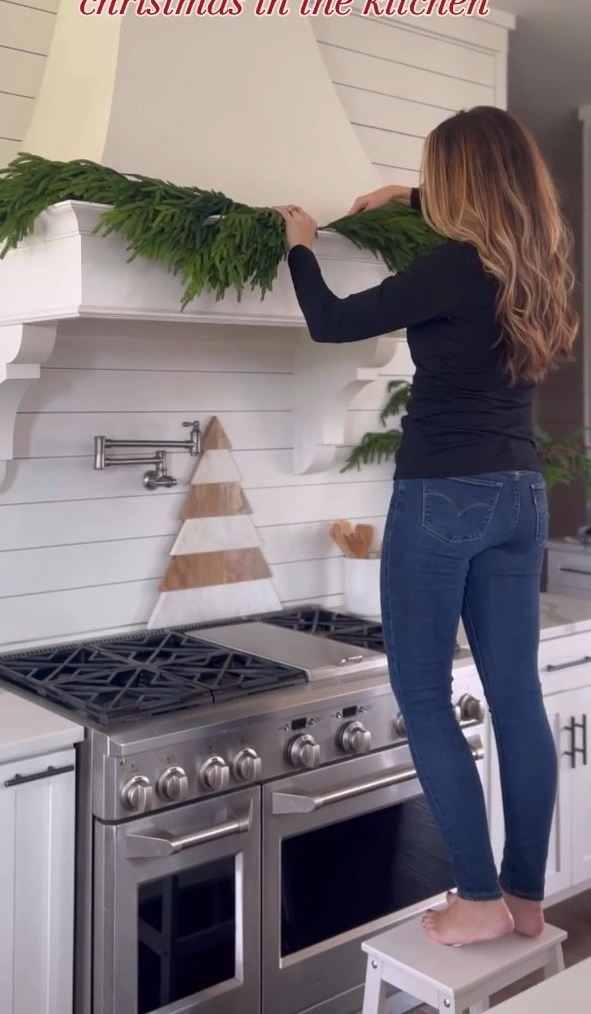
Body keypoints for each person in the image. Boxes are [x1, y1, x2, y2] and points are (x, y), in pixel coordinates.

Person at [275, 105, 578, 947]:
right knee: (517, 698)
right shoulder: (541, 260)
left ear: (462, 186)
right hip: (521, 495)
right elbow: (489, 204)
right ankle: (522, 898)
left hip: (445, 495)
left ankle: (475, 898)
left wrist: (299, 241)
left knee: (422, 694)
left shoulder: (453, 267)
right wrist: (410, 193)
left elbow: (330, 321)